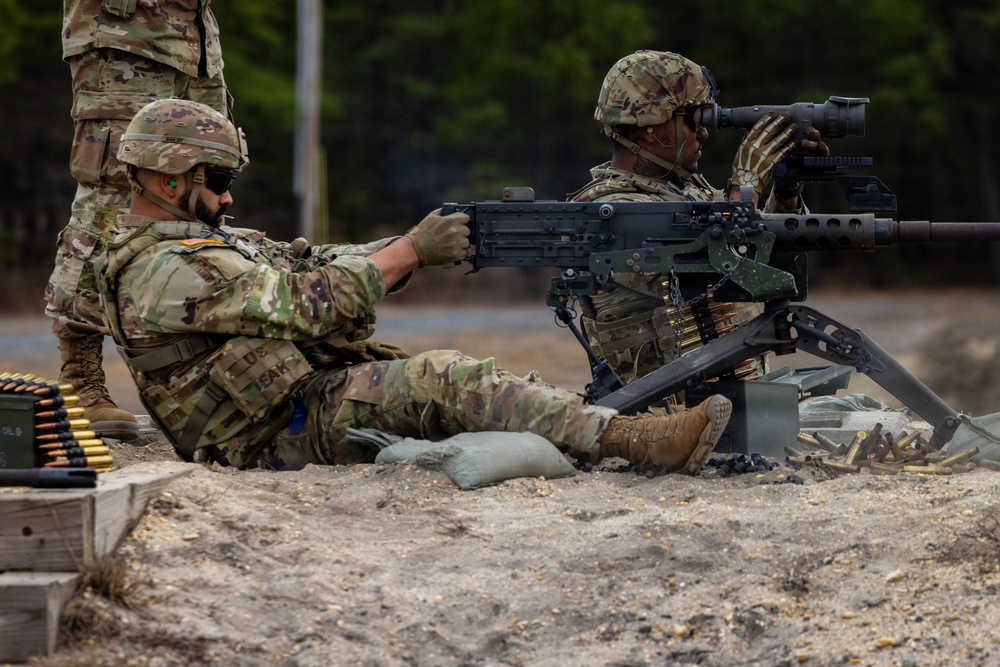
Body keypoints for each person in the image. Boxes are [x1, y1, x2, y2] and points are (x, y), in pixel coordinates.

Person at [92, 98, 734, 476]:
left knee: (467, 385)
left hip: (291, 405)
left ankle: (604, 427)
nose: (228, 196)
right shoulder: (163, 271)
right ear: (171, 178)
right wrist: (408, 253)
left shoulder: (196, 246)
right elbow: (300, 305)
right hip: (264, 436)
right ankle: (633, 441)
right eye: (217, 180)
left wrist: (412, 245)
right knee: (441, 378)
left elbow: (305, 260)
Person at [569, 50, 828, 392]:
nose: (704, 132)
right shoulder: (608, 211)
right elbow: (716, 270)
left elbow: (767, 268)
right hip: (661, 412)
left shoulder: (690, 193)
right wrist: (745, 188)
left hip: (733, 399)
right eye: (693, 118)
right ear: (648, 128)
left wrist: (786, 191)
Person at [47, 1, 232, 440]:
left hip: (195, 37)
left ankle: (199, 381)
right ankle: (79, 382)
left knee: (206, 187)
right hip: (126, 35)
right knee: (116, 188)